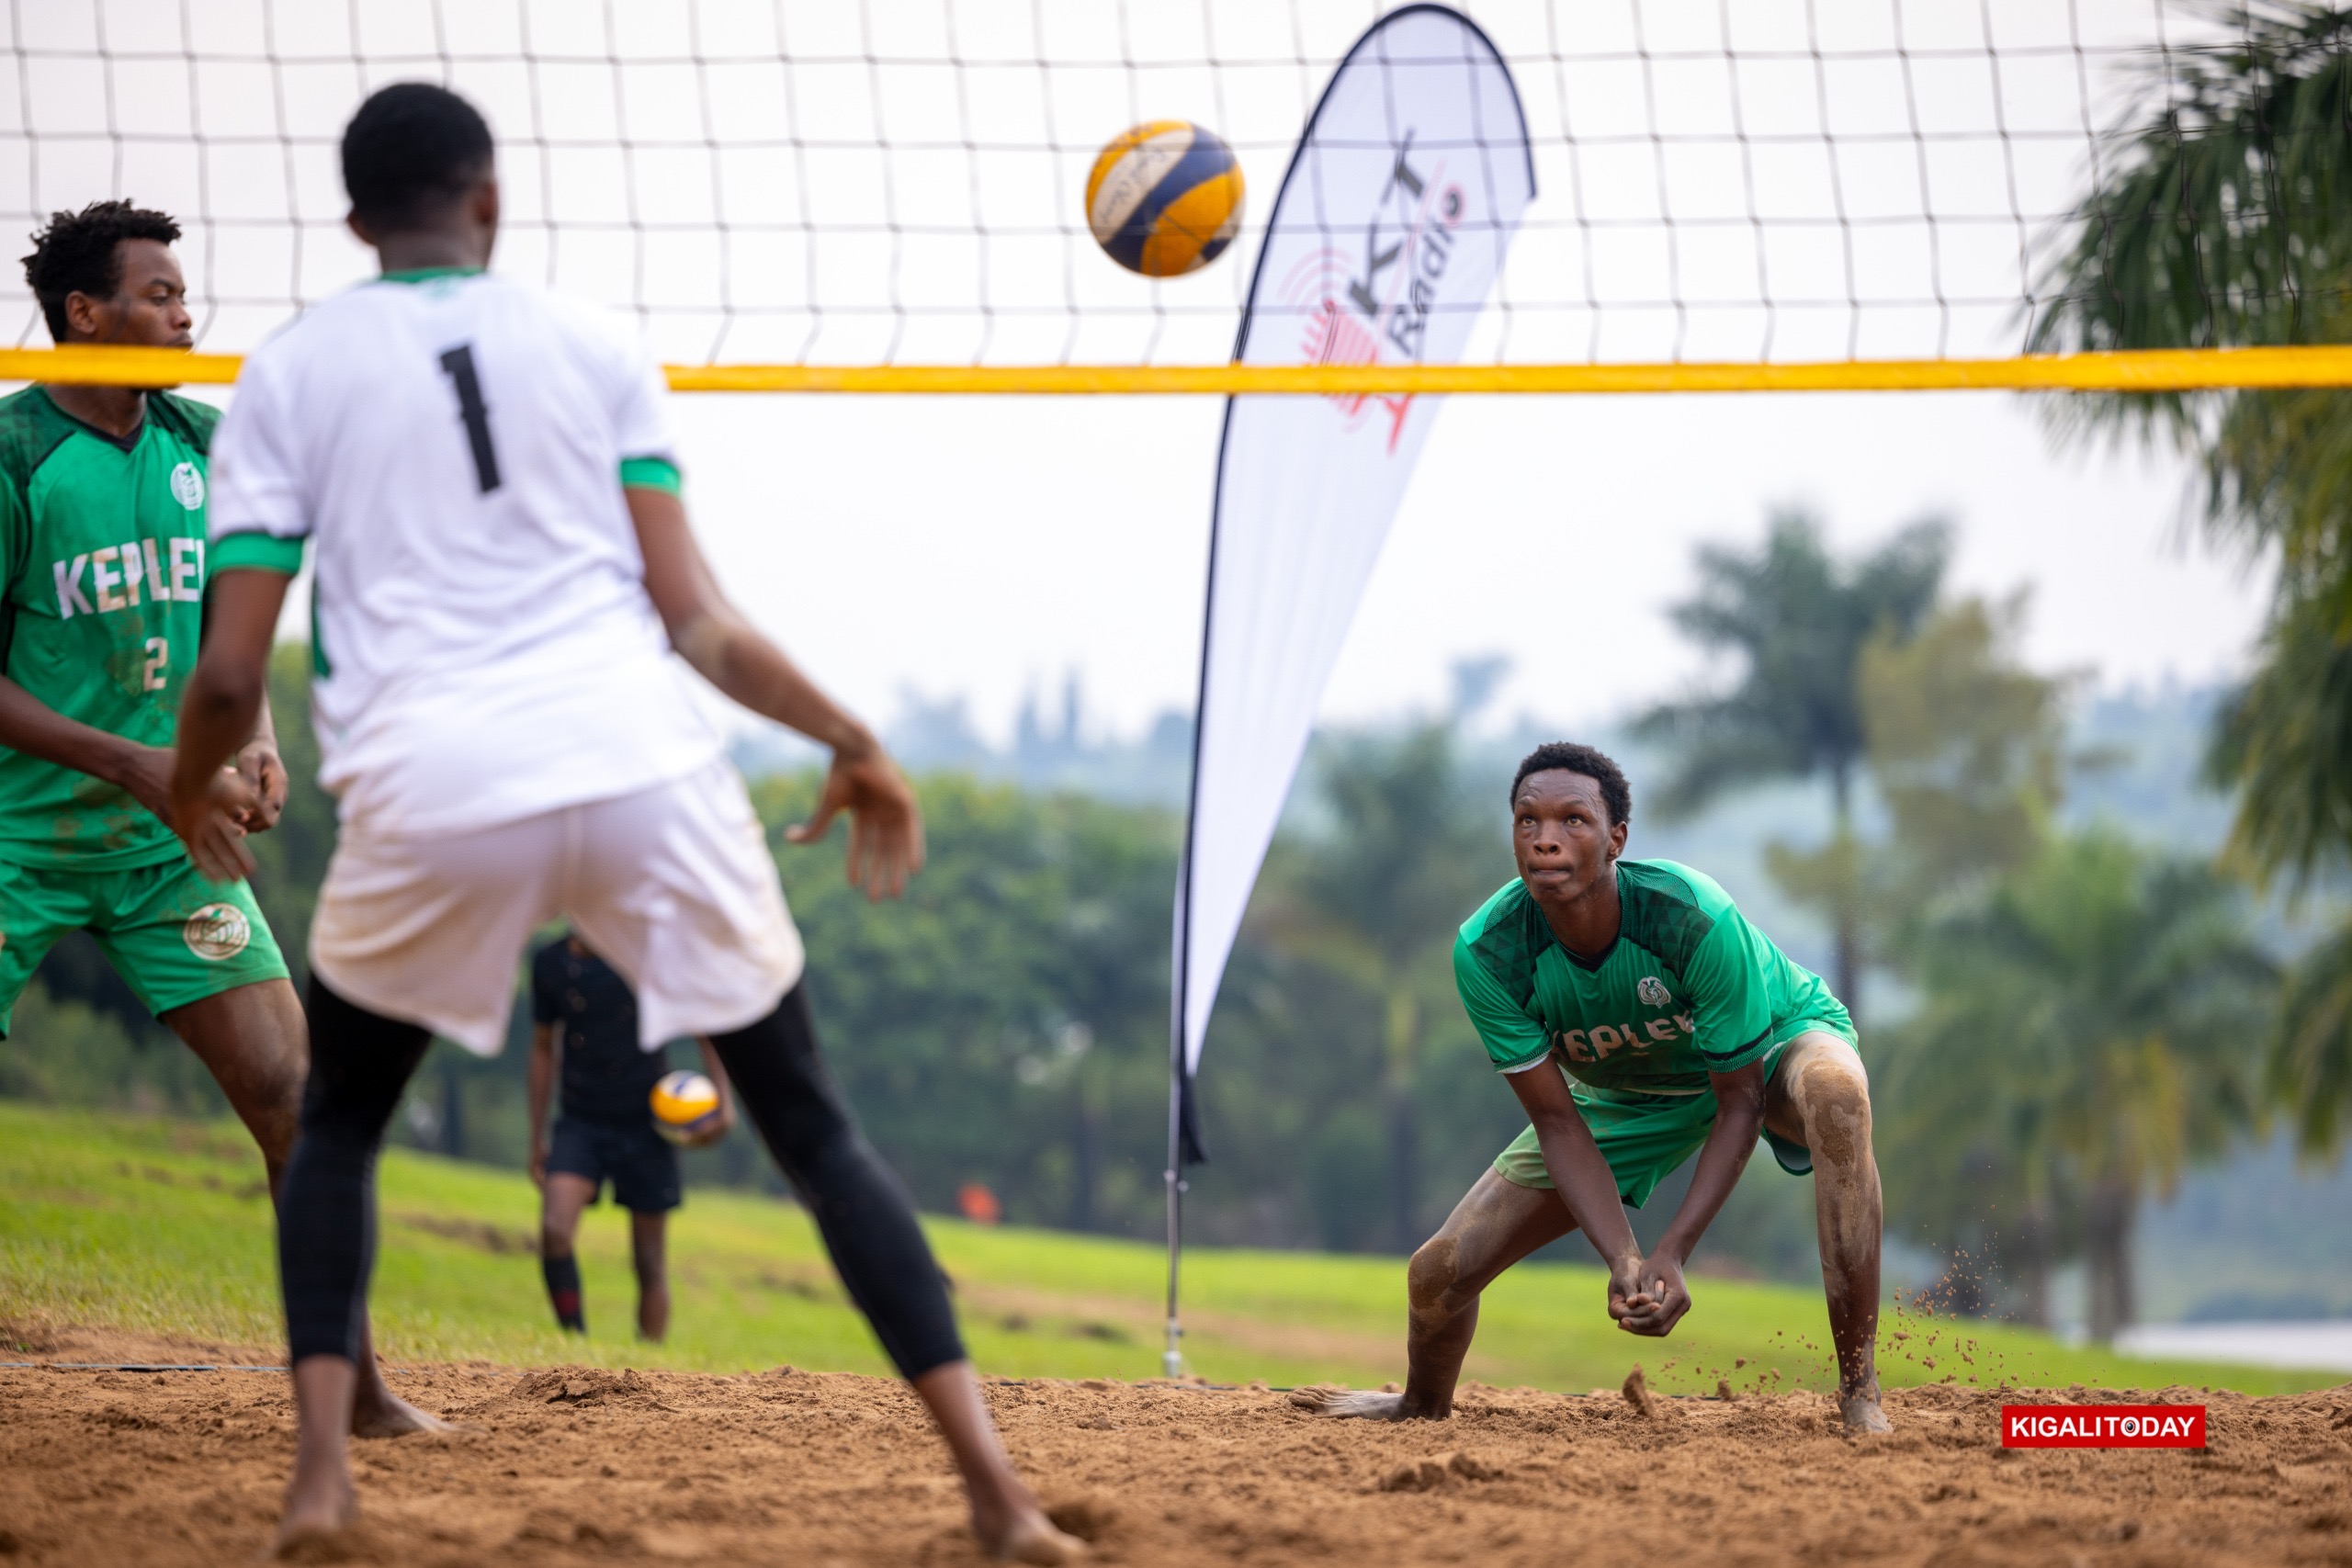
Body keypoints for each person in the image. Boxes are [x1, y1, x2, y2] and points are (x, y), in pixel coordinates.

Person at [168, 83, 1080, 1562]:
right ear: (490, 199)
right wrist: (852, 738)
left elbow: (225, 674)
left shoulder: (287, 370)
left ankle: (322, 1485)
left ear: (351, 221)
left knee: (335, 1125)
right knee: (812, 1124)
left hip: (434, 781)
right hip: (640, 763)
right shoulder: (594, 342)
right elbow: (698, 620)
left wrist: (184, 779)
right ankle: (1000, 1494)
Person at [0, 199, 433, 1438]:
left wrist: (251, 739)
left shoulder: (208, 442)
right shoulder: (16, 457)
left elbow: (223, 628)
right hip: (18, 838)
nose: (187, 316)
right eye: (160, 295)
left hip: (164, 842)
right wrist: (137, 763)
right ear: (85, 314)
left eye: (185, 294)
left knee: (299, 1093)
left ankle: (352, 1386)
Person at [1293, 741, 1890, 1434]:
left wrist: (1673, 1251)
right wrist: (1625, 1258)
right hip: (1631, 1093)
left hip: (1768, 1050)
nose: (1545, 839)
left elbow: (1741, 1101)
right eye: (1528, 820)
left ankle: (1859, 1389)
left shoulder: (1692, 915)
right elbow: (1558, 1123)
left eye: (1572, 820)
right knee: (1435, 1273)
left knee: (1836, 1093)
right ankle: (1421, 1402)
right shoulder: (1488, 952)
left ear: (1616, 840)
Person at [527, 930, 737, 1342]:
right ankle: (573, 1343)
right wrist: (536, 1137)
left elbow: (702, 1026)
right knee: (555, 1230)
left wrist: (724, 1102)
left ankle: (649, 1362)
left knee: (649, 1261)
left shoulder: (644, 955)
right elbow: (542, 1047)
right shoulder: (549, 963)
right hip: (580, 1117)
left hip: (648, 1123)